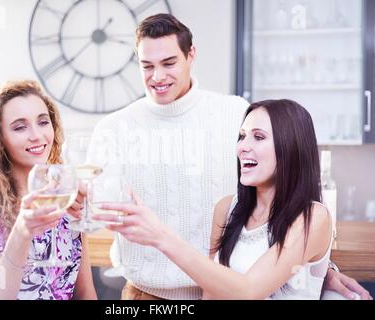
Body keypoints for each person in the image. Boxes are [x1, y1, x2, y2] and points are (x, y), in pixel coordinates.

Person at [81, 14, 371, 300]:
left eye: (169, 63)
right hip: (148, 295)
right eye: (147, 66)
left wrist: (313, 267)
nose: (157, 76)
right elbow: (88, 218)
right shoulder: (113, 129)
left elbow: (280, 232)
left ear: (190, 54)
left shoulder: (235, 114)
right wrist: (74, 209)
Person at [0, 80, 97, 300]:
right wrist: (21, 233)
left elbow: (85, 292)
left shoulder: (66, 199)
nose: (37, 135)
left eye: (43, 122)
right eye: (20, 127)